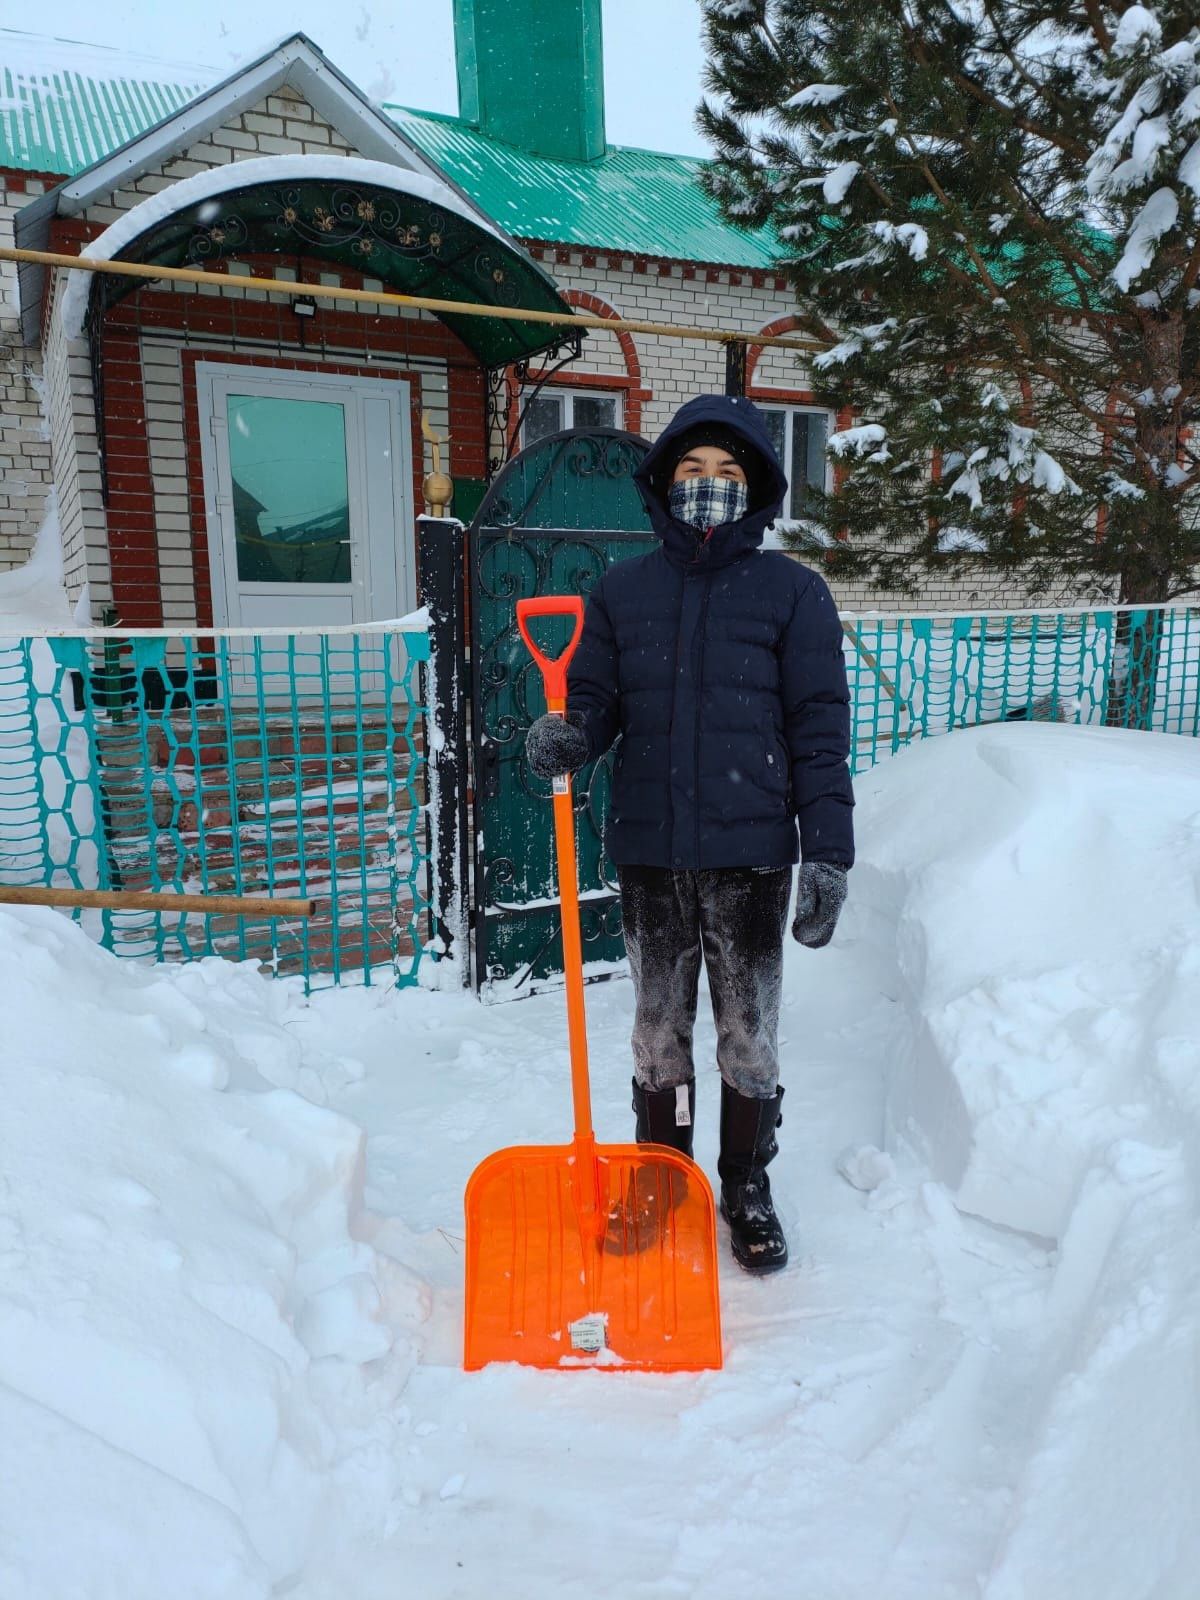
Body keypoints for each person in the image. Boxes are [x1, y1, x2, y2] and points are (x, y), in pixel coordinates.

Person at [525, 394, 854, 1274]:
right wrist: (573, 735)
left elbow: (820, 728)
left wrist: (827, 849)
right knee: (658, 1032)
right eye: (693, 472)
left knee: (748, 1033)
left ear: (756, 491)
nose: (708, 489)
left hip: (751, 856)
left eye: (730, 475)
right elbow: (596, 702)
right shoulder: (622, 591)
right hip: (652, 849)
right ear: (665, 483)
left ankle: (746, 1185)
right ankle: (662, 1180)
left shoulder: (793, 592)